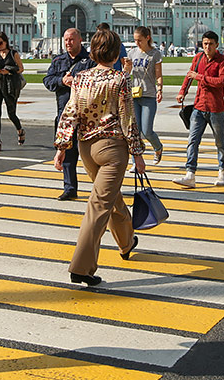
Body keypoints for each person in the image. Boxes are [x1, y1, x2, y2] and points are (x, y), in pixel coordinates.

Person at [53, 29, 145, 286]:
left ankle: (127, 243)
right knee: (98, 206)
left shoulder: (80, 78)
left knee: (110, 199)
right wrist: (137, 153)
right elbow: (128, 120)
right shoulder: (120, 80)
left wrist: (62, 146)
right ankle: (81, 268)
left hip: (86, 149)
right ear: (116, 54)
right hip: (113, 149)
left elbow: (70, 112)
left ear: (92, 52)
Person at [44, 28, 96, 200]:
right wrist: (62, 81)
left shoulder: (90, 61)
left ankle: (99, 187)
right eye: (66, 40)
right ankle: (69, 188)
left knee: (91, 155)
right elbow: (48, 81)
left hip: (85, 115)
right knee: (67, 152)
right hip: (65, 115)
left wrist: (77, 82)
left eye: (72, 39)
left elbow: (96, 82)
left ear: (80, 40)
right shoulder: (58, 60)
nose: (68, 43)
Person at [173, 31, 224, 188]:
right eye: (205, 43)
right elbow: (189, 76)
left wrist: (199, 77)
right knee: (193, 140)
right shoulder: (198, 58)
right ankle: (190, 174)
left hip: (216, 108)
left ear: (217, 45)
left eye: (211, 44)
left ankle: (223, 171)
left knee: (220, 141)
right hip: (199, 106)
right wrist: (182, 92)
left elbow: (221, 81)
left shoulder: (222, 60)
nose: (207, 46)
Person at [128, 26, 164, 165]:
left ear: (147, 38)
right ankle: (135, 161)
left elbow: (159, 75)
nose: (137, 43)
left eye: (140, 40)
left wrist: (160, 89)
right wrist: (126, 66)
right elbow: (127, 72)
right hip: (134, 94)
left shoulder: (155, 54)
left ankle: (158, 147)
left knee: (147, 130)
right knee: (135, 131)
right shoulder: (132, 53)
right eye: (135, 40)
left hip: (149, 94)